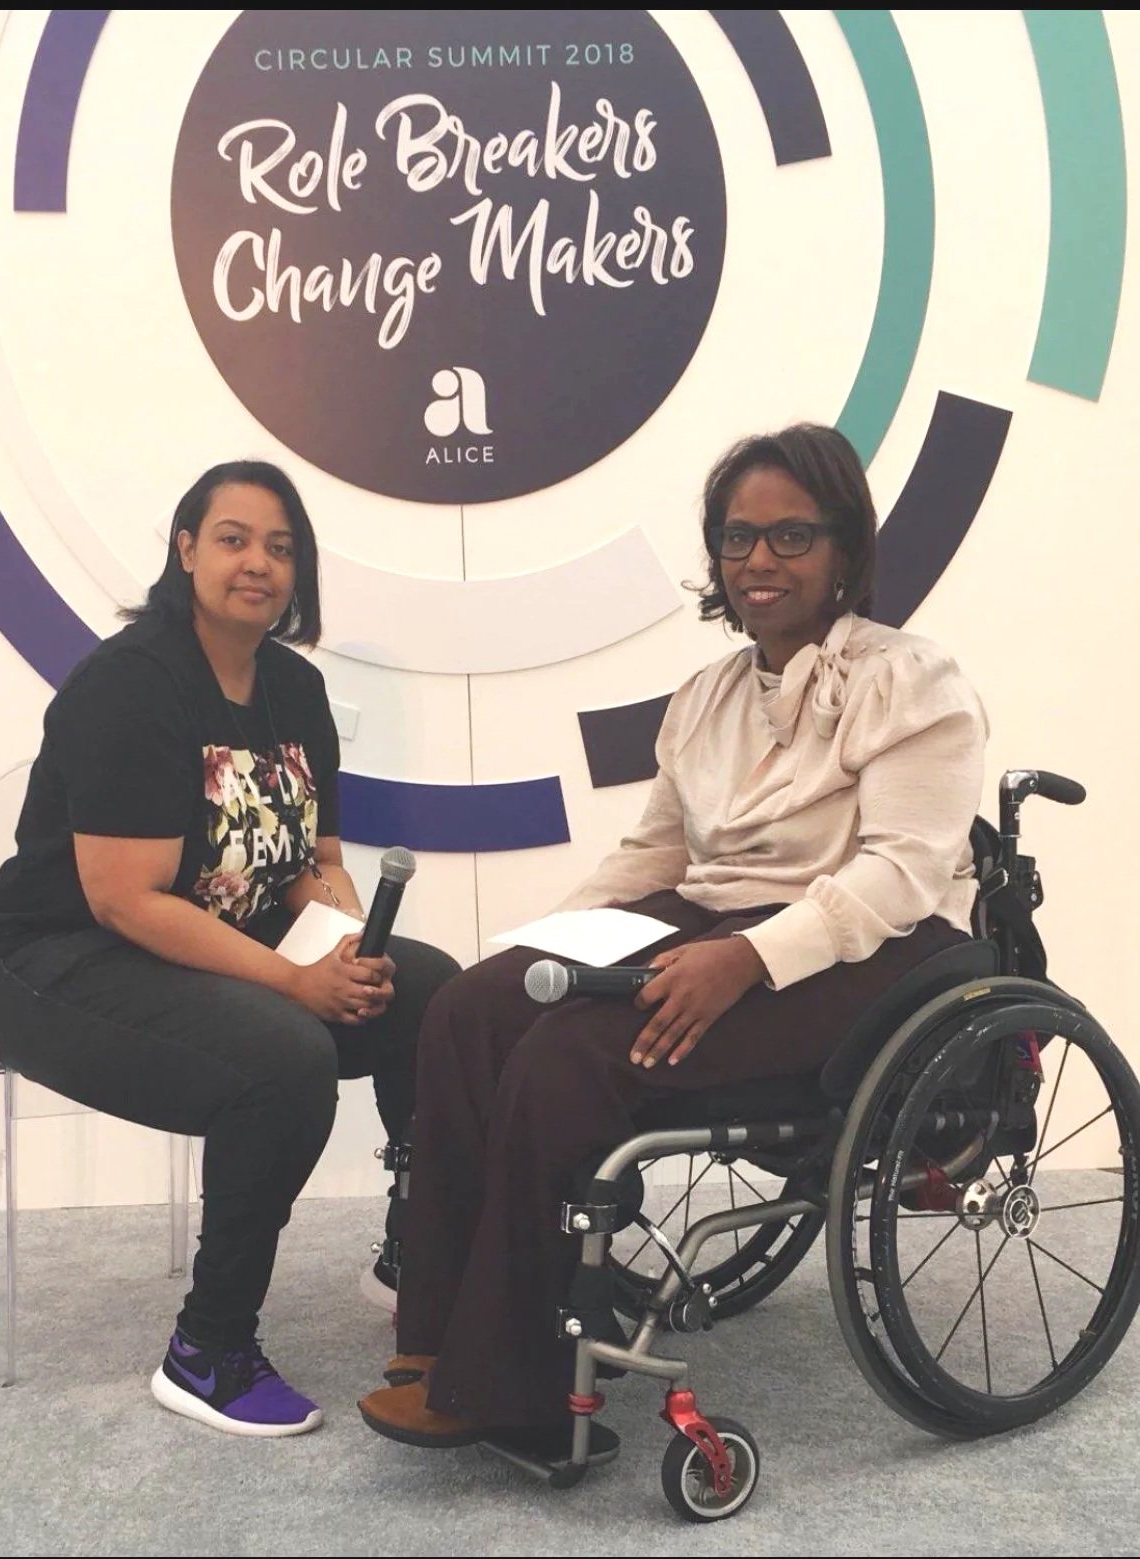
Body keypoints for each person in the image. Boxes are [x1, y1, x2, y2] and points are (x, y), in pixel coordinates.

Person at [357, 423, 988, 1462]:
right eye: (739, 539)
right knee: (471, 1005)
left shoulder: (913, 679)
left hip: (872, 944)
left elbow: (902, 871)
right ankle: (435, 1335)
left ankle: (512, 1383)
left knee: (578, 1052)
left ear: (843, 548)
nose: (759, 562)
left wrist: (745, 959)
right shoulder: (707, 696)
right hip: (719, 914)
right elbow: (654, 851)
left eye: (790, 536)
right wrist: (541, 952)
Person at [0, 459, 459, 1437]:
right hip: (54, 958)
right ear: (186, 548)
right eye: (233, 537)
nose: (257, 562)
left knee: (431, 987)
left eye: (280, 546)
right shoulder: (131, 684)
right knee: (285, 1056)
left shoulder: (295, 686)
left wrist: (350, 947)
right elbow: (124, 900)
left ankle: (416, 1254)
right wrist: (293, 983)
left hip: (203, 936)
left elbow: (315, 861)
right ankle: (207, 1346)